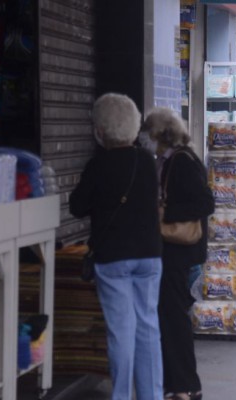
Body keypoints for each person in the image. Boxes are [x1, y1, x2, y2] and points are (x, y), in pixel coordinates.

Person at [69, 93, 164, 400]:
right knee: (148, 328)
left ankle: (121, 395)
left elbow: (77, 206)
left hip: (113, 259)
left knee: (121, 332)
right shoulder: (147, 163)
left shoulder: (98, 165)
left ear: (100, 130)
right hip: (149, 255)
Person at [141, 108, 213, 400]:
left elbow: (204, 203)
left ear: (161, 134)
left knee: (174, 320)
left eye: (148, 132)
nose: (144, 139)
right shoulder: (173, 159)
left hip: (177, 252)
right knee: (170, 318)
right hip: (173, 252)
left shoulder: (181, 161)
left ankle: (184, 386)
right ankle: (179, 384)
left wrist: (163, 213)